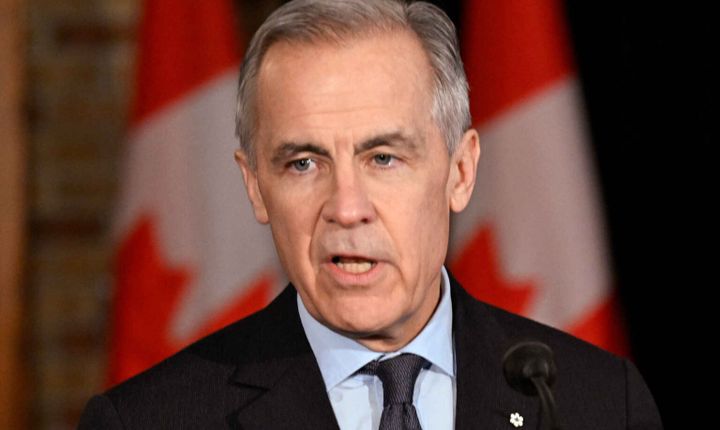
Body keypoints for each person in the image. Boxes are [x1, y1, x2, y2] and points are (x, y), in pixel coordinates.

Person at [78, 0, 662, 428]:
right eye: (304, 164)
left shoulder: (597, 404)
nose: (347, 208)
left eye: (383, 158)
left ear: (461, 172)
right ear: (254, 187)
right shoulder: (149, 421)